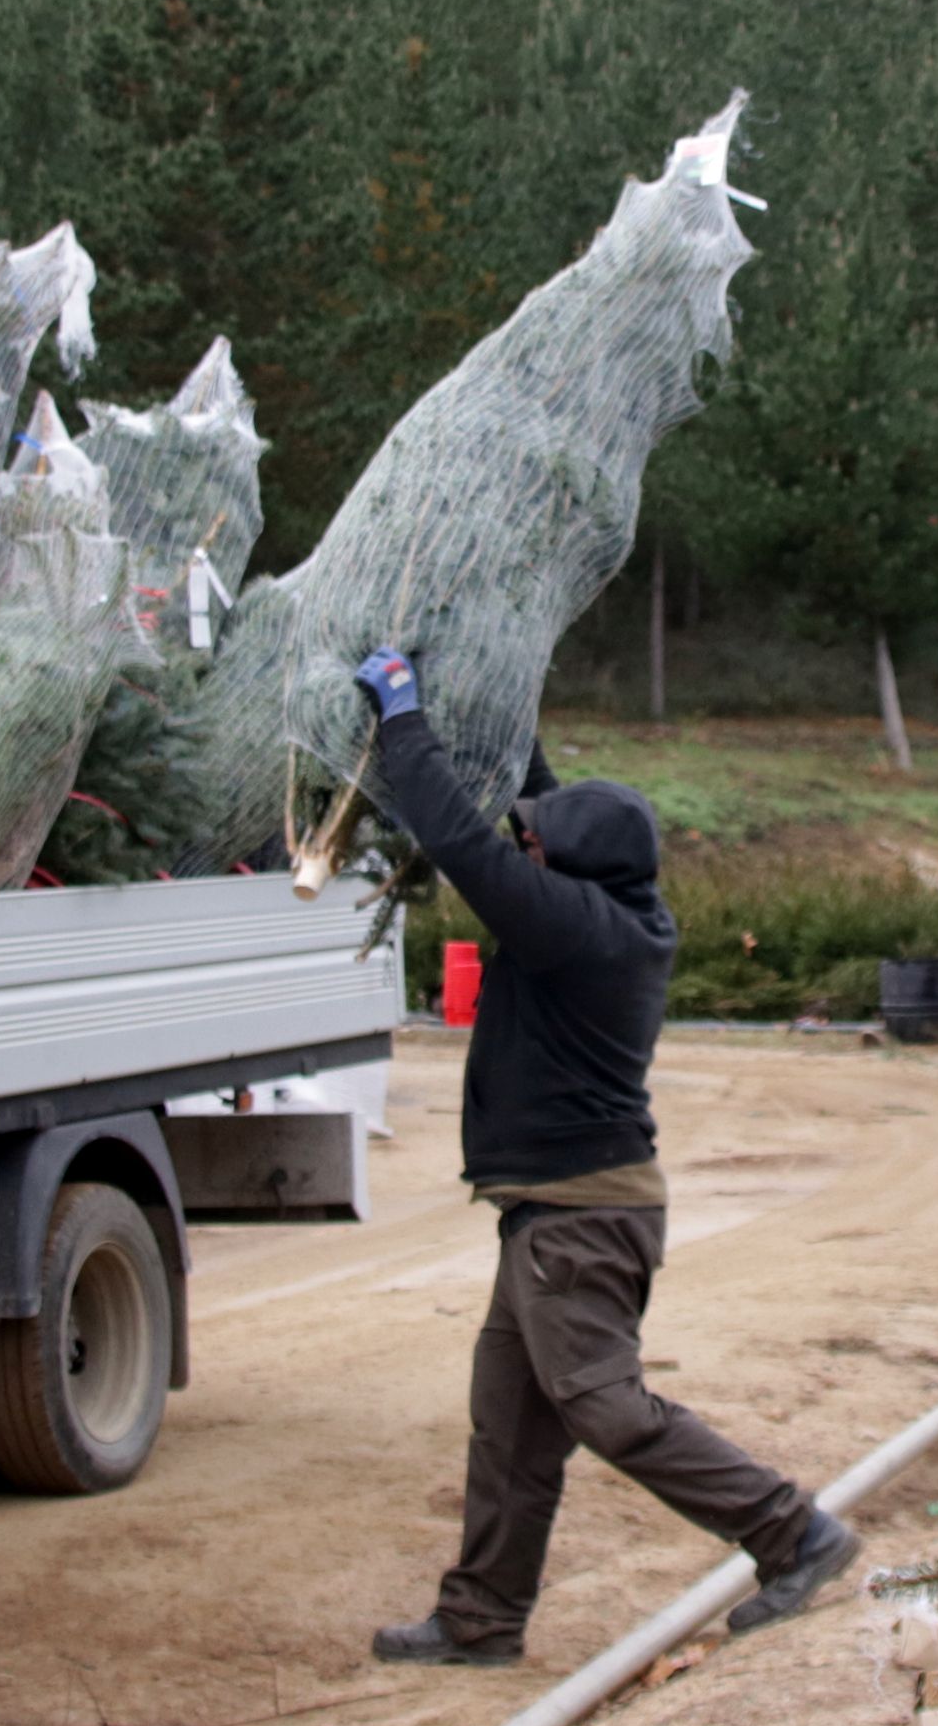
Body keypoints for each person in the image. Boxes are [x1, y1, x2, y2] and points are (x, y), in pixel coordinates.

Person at [348, 645, 856, 1668]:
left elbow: (461, 838)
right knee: (513, 1426)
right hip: (553, 1213)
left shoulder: (577, 931)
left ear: (570, 869)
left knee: (605, 1407)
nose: (526, 849)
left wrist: (403, 716)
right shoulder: (612, 906)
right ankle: (481, 1619)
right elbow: (538, 803)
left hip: (580, 1221)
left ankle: (794, 1533)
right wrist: (505, 707)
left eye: (541, 849)